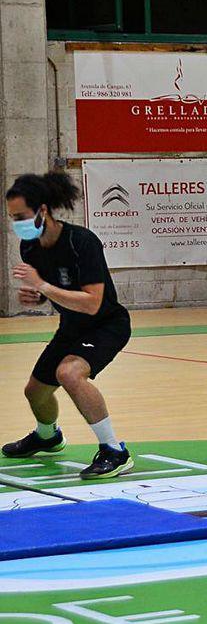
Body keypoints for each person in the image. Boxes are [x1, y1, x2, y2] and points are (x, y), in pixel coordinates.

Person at [3, 172, 134, 480]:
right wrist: (33, 296)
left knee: (69, 373)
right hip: (72, 326)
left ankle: (115, 451)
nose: (16, 223)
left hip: (106, 325)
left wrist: (43, 287)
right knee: (35, 392)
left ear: (43, 211)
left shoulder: (82, 242)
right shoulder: (30, 247)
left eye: (21, 216)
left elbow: (91, 302)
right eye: (12, 217)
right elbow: (49, 292)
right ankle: (48, 436)